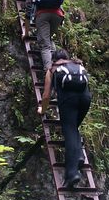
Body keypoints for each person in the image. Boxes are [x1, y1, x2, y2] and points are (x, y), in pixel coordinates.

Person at [38, 49, 91, 188]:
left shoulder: (52, 70)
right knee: (73, 128)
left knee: (70, 131)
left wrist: (42, 109)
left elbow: (46, 96)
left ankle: (72, 173)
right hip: (85, 99)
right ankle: (79, 155)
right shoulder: (78, 65)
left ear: (54, 59)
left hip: (69, 101)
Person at [24, 0, 64, 71]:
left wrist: (26, 34)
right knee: (48, 39)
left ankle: (49, 71)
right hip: (58, 16)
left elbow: (28, 14)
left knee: (45, 45)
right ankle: (57, 66)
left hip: (43, 16)